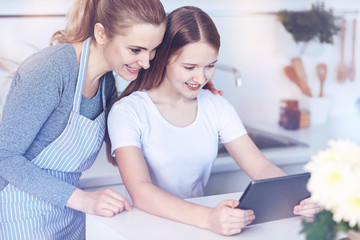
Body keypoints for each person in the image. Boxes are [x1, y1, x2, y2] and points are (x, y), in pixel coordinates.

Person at [107, 6, 323, 236]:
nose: (200, 78)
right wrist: (208, 217)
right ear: (163, 58)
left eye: (209, 66)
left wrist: (301, 198)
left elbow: (260, 166)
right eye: (189, 67)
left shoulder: (215, 105)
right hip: (144, 228)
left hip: (200, 228)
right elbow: (141, 191)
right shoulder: (128, 112)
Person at [0, 0, 167, 239]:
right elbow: (4, 156)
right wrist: (82, 199)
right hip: (21, 212)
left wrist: (183, 90)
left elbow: (122, 137)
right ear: (101, 33)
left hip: (70, 214)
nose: (146, 62)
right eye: (136, 50)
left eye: (153, 50)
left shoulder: (106, 81)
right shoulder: (51, 69)